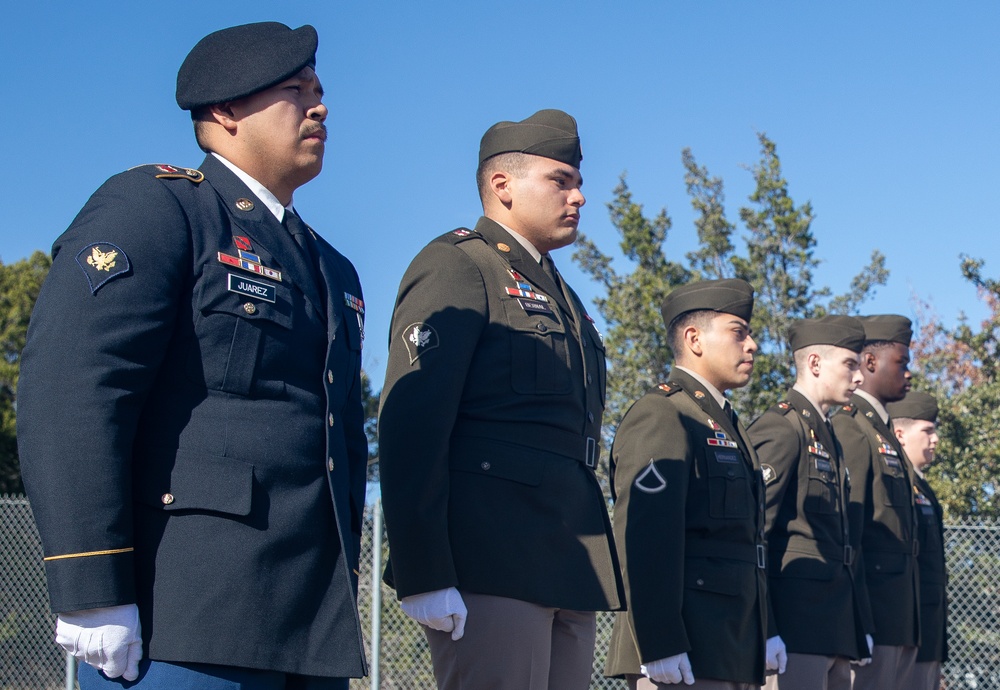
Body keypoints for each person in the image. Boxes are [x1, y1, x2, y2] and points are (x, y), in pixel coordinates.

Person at [17, 22, 368, 689]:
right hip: (185, 618)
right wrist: (90, 580)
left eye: (320, 91)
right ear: (226, 112)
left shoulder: (332, 268)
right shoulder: (158, 207)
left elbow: (340, 437)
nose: (319, 106)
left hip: (309, 632)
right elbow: (75, 388)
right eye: (296, 91)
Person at [378, 109, 624, 690]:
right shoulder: (461, 264)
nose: (579, 196)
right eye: (560, 180)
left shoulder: (562, 294)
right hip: (490, 557)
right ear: (502, 186)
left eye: (578, 182)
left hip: (567, 556)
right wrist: (423, 568)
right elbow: (413, 422)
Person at [605, 279, 784, 689]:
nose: (753, 345)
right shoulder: (665, 414)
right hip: (683, 651)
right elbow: (644, 535)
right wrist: (659, 640)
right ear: (694, 339)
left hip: (732, 646)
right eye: (739, 333)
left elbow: (747, 545)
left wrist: (766, 629)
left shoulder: (726, 423)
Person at [746, 316, 871, 689]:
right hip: (793, 630)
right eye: (850, 364)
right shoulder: (781, 428)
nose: (859, 377)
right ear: (815, 364)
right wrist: (765, 627)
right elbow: (753, 534)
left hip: (831, 629)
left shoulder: (828, 435)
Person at [830, 315, 919, 690]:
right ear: (870, 363)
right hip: (875, 618)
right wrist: (859, 622)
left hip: (897, 617)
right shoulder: (852, 427)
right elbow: (851, 531)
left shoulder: (882, 432)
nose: (909, 373)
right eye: (902, 362)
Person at [887, 391, 948, 690]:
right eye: (927, 431)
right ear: (899, 435)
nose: (935, 439)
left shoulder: (921, 487)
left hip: (926, 631)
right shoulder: (897, 485)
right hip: (906, 631)